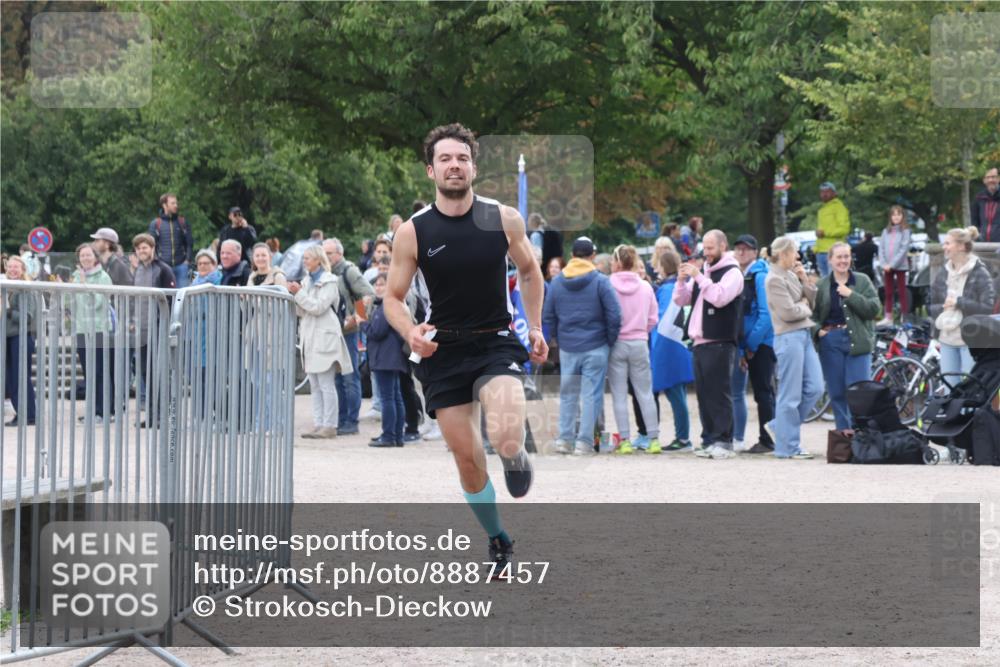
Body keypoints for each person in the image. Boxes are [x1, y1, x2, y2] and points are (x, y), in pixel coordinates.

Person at [383, 123, 547, 572]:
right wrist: (410, 331)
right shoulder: (413, 232)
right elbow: (392, 298)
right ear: (430, 171)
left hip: (495, 341)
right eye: (444, 160)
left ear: (474, 166)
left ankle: (516, 455)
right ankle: (498, 538)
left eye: (461, 158)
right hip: (443, 351)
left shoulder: (503, 218)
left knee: (506, 435)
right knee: (468, 458)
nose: (454, 166)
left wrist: (534, 326)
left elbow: (531, 273)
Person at [543, 237, 621, 455]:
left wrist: (560, 337)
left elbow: (548, 315)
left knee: (568, 394)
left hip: (568, 346)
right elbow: (614, 314)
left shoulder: (558, 282)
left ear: (572, 255)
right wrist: (609, 341)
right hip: (596, 345)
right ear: (592, 256)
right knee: (591, 395)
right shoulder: (600, 281)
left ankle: (564, 440)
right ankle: (584, 442)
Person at [673, 229, 744, 459]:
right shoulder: (704, 271)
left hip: (721, 341)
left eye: (711, 247)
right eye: (705, 247)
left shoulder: (732, 272)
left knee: (719, 393)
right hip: (700, 341)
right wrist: (682, 281)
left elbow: (719, 297)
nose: (706, 252)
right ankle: (710, 439)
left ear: (723, 246)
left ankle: (724, 441)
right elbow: (681, 300)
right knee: (704, 394)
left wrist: (700, 277)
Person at [763, 236, 822, 459]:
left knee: (816, 387)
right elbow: (788, 313)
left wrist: (805, 280)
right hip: (788, 337)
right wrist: (805, 307)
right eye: (795, 252)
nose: (797, 256)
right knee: (790, 394)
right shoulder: (773, 279)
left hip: (804, 335)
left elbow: (811, 303)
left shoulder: (789, 274)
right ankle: (788, 447)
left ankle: (780, 426)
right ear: (784, 254)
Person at [813, 242, 881, 431]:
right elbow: (813, 314)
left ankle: (861, 436)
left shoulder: (862, 281)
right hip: (831, 341)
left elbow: (874, 309)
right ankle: (844, 437)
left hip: (858, 341)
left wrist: (851, 295)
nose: (843, 261)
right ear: (830, 260)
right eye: (839, 257)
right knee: (836, 393)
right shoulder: (822, 285)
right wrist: (818, 331)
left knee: (859, 392)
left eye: (846, 257)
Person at [287, 245, 353, 439]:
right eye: (304, 258)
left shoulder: (331, 281)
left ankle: (330, 424)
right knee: (314, 384)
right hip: (309, 336)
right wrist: (294, 297)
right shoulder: (306, 281)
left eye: (308, 257)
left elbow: (318, 307)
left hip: (325, 337)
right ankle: (318, 423)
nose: (304, 261)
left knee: (326, 383)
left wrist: (299, 294)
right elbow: (302, 310)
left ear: (318, 259)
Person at [607, 245, 660, 454]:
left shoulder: (609, 285)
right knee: (645, 392)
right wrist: (641, 331)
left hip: (617, 343)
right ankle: (653, 438)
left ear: (618, 262)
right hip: (639, 341)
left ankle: (625, 440)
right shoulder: (646, 287)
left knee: (619, 394)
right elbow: (653, 318)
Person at [323, 238, 375, 435]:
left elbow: (368, 293)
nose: (326, 257)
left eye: (329, 253)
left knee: (350, 377)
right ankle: (341, 418)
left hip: (348, 333)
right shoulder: (327, 273)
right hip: (332, 333)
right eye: (324, 253)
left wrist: (357, 318)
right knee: (337, 377)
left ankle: (352, 421)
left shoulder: (349, 271)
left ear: (339, 254)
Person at [928, 226, 996, 378]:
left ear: (960, 246)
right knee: (949, 391)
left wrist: (959, 302)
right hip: (946, 339)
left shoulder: (980, 272)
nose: (944, 247)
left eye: (947, 243)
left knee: (969, 391)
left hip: (970, 341)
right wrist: (942, 307)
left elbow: (987, 308)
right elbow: (930, 303)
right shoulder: (943, 272)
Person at [731, 235, 776, 454]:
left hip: (761, 343)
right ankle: (768, 437)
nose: (742, 253)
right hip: (749, 343)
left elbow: (766, 316)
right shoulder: (742, 275)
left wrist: (750, 345)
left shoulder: (759, 275)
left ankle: (768, 439)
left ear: (755, 252)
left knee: (763, 392)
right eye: (738, 249)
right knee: (761, 392)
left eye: (746, 249)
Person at [650, 247, 694, 451]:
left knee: (675, 393)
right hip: (677, 343)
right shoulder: (676, 286)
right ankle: (682, 436)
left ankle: (683, 438)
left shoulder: (667, 289)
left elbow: (661, 319)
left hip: (667, 345)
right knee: (678, 393)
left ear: (663, 265)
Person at [363, 274, 409, 447]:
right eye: (376, 285)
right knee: (395, 396)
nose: (378, 288)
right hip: (392, 357)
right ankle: (397, 436)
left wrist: (361, 319)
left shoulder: (386, 307)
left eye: (382, 285)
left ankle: (389, 435)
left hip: (385, 358)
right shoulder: (390, 304)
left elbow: (376, 331)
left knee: (388, 398)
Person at [70, 243, 114, 422]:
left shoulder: (103, 277)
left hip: (99, 330)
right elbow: (69, 303)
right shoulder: (76, 276)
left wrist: (83, 284)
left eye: (88, 255)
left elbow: (97, 304)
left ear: (95, 257)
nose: (85, 259)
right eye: (82, 256)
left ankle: (105, 411)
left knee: (101, 372)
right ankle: (94, 410)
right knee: (89, 373)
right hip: (81, 329)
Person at [132, 233, 176, 406]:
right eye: (138, 248)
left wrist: (166, 324)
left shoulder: (163, 269)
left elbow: (171, 299)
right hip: (142, 328)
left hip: (158, 327)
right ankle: (152, 411)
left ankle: (163, 412)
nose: (141, 251)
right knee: (145, 372)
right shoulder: (138, 270)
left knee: (159, 371)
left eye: (145, 247)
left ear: (152, 248)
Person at [3, 256, 37, 426]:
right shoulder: (6, 288)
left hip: (21, 337)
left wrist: (8, 310)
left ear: (23, 270)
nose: (13, 270)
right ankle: (22, 413)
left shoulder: (25, 288)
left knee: (20, 377)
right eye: (10, 267)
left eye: (16, 267)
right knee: (12, 378)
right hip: (8, 338)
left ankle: (29, 415)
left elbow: (27, 317)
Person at [148, 192, 194, 289]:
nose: (176, 206)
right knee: (163, 296)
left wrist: (187, 261)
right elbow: (151, 245)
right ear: (164, 205)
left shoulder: (183, 222)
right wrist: (157, 262)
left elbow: (189, 244)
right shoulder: (156, 223)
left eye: (176, 203)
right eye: (172, 203)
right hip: (163, 265)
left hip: (181, 265)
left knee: (182, 297)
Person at [878, 206, 912, 325]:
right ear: (890, 217)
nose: (896, 217)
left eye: (899, 214)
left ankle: (904, 316)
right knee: (888, 292)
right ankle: (888, 317)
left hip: (900, 266)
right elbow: (881, 248)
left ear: (902, 216)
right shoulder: (885, 231)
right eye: (894, 215)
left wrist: (892, 264)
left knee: (902, 291)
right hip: (886, 267)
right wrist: (884, 264)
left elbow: (903, 249)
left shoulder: (905, 231)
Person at [815, 181, 850, 277]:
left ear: (834, 193)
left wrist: (825, 233)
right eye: (822, 192)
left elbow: (844, 229)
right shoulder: (822, 209)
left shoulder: (839, 207)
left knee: (835, 282)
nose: (824, 194)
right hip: (821, 251)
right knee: (825, 284)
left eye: (827, 191)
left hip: (834, 251)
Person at [971, 166, 1000, 243]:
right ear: (984, 180)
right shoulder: (979, 198)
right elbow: (974, 222)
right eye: (988, 177)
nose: (991, 180)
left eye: (993, 177)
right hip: (982, 244)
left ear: (998, 179)